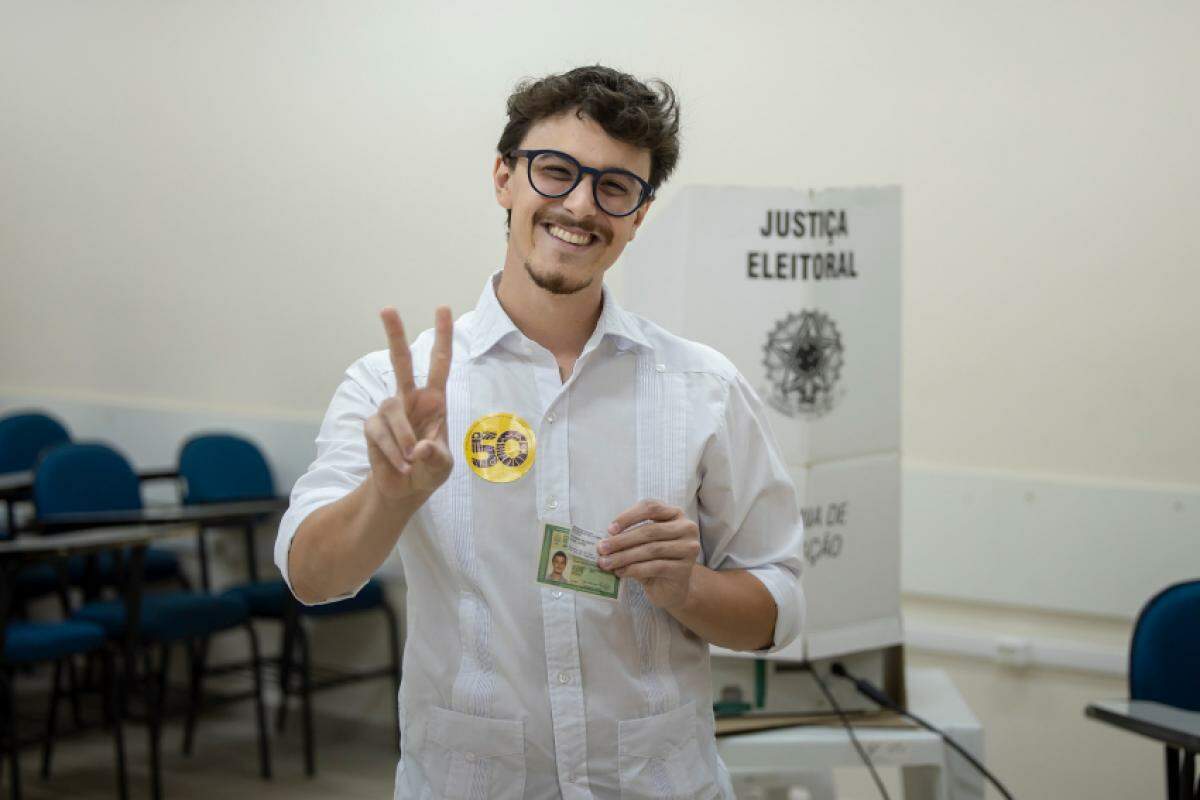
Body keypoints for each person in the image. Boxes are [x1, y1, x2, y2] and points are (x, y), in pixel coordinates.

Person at [275, 65, 804, 800]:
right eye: (555, 171)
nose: (581, 205)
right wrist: (388, 497)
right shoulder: (395, 390)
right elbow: (310, 577)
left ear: (639, 213)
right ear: (504, 177)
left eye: (615, 186)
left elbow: (776, 611)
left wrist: (688, 589)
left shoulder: (702, 387)